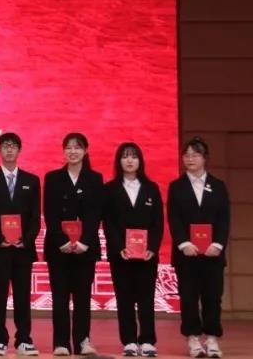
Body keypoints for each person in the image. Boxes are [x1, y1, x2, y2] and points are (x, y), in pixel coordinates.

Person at [0, 132, 40, 356]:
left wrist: (27, 239)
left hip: (23, 249)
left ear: (19, 150)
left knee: (23, 296)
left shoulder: (31, 181)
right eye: (5, 146)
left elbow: (35, 216)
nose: (9, 150)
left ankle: (24, 339)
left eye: (13, 146)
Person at [168, 137, 230, 359]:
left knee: (213, 297)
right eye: (186, 155)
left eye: (195, 155)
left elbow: (224, 219)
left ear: (205, 158)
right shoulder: (176, 187)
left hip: (212, 254)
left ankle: (212, 338)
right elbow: (174, 219)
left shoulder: (218, 186)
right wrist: (184, 243)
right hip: (187, 254)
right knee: (188, 297)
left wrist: (218, 244)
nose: (190, 159)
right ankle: (193, 338)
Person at [43, 133, 104, 356]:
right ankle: (60, 342)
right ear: (63, 151)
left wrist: (84, 242)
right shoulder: (53, 178)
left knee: (82, 298)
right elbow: (49, 213)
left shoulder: (95, 179)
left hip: (85, 250)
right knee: (59, 297)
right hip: (59, 248)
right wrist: (62, 241)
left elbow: (96, 214)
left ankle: (82, 341)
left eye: (77, 147)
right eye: (68, 147)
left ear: (85, 151)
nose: (73, 151)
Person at [102, 143, 164, 358]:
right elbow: (108, 222)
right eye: (125, 156)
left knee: (146, 298)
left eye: (134, 157)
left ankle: (147, 340)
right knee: (124, 298)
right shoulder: (110, 189)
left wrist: (152, 248)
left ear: (140, 161)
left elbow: (158, 222)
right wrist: (119, 247)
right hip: (121, 255)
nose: (129, 161)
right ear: (119, 161)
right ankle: (128, 340)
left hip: (147, 256)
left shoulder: (151, 188)